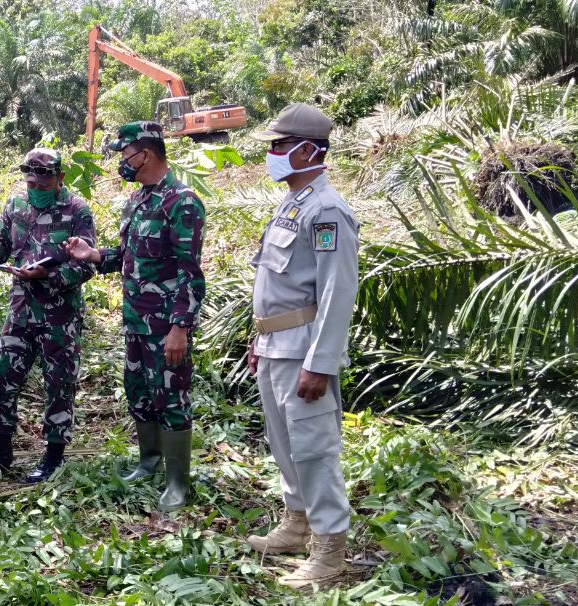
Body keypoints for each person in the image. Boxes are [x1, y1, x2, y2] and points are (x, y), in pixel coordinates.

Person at [244, 103, 358, 588]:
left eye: (280, 146)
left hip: (304, 350)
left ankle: (330, 551)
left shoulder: (328, 210)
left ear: (310, 150)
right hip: (275, 344)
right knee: (285, 442)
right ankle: (296, 524)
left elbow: (338, 292)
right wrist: (259, 336)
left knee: (314, 448)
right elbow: (277, 280)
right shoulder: (293, 203)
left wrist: (322, 363)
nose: (272, 154)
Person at [64, 121, 206, 511]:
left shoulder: (182, 201)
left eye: (125, 154)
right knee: (139, 392)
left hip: (166, 326)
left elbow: (188, 271)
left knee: (171, 398)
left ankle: (178, 483)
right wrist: (93, 255)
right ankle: (149, 462)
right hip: (135, 322)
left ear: (146, 152)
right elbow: (128, 256)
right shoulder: (139, 201)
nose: (122, 162)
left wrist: (180, 327)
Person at [0, 148, 97, 483]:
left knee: (59, 386)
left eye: (42, 185)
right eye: (30, 183)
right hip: (20, 312)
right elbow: (3, 250)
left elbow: (87, 264)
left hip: (60, 316)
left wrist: (49, 278)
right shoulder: (15, 207)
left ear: (59, 179)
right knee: (1, 381)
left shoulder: (77, 211)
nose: (35, 189)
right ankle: (0, 454)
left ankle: (52, 459)